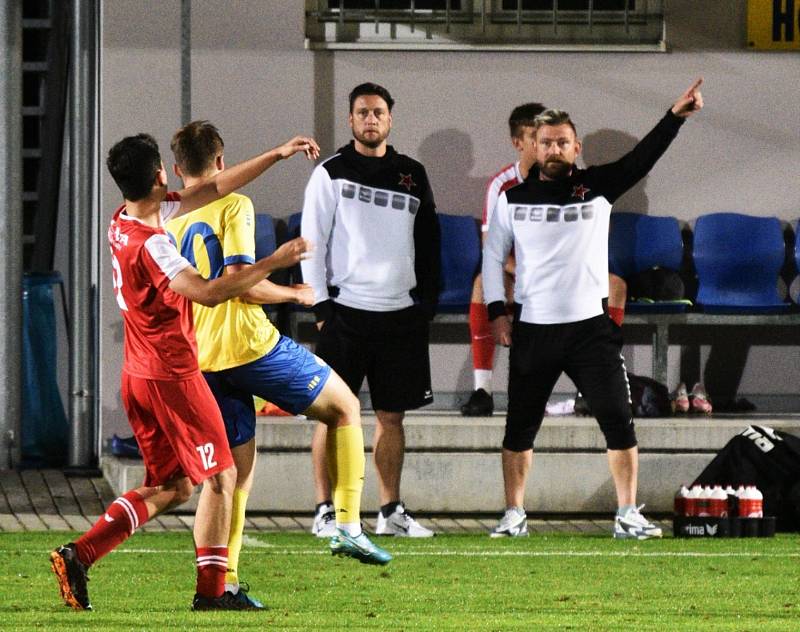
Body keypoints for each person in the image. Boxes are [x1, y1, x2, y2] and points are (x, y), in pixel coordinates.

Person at [50, 131, 321, 613]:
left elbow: (211, 189)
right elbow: (210, 292)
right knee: (222, 475)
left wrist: (277, 153)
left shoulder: (125, 218)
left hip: (137, 374)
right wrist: (273, 263)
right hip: (172, 376)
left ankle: (81, 554)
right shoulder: (154, 244)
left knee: (174, 485)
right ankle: (213, 594)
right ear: (159, 175)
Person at [165, 122, 391, 605]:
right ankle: (347, 523)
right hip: (247, 346)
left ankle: (220, 585)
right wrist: (296, 293)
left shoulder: (167, 219)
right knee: (345, 407)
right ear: (222, 163)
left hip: (199, 357)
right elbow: (242, 283)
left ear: (179, 169)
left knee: (229, 478)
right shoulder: (235, 205)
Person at [483, 78, 704, 538]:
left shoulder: (598, 186)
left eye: (563, 142)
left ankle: (626, 514)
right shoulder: (513, 199)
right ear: (533, 148)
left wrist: (674, 117)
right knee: (518, 430)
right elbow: (491, 256)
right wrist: (495, 313)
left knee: (619, 423)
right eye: (546, 143)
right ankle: (514, 514)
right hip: (533, 328)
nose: (555, 150)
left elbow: (643, 158)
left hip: (589, 329)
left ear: (575, 146)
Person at [301, 82, 440, 538]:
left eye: (378, 112)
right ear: (351, 120)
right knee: (331, 414)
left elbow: (429, 241)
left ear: (390, 119)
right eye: (363, 112)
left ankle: (390, 512)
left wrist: (427, 303)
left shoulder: (413, 173)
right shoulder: (330, 172)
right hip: (346, 313)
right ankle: (326, 511)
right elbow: (311, 243)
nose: (371, 119)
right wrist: (322, 306)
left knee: (392, 417)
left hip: (400, 315)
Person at [461, 104, 628, 417]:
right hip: (520, 272)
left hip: (569, 276)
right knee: (483, 284)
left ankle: (590, 388)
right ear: (523, 144)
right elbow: (492, 249)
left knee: (616, 285)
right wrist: (528, 271)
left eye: (554, 141)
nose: (548, 146)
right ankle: (482, 389)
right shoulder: (503, 186)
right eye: (536, 139)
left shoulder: (583, 184)